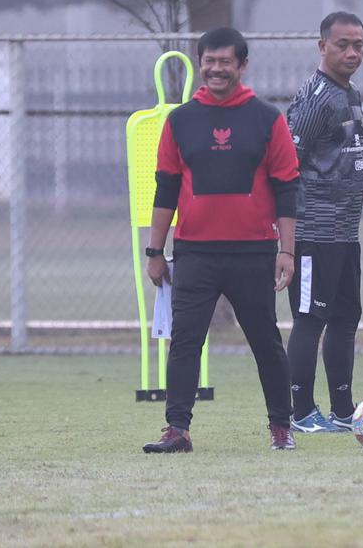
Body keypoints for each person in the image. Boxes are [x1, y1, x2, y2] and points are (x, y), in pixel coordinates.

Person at [141, 27, 300, 453]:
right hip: (194, 252)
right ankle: (177, 430)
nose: (215, 69)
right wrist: (155, 252)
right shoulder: (180, 121)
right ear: (200, 63)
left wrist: (286, 250)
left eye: (224, 62)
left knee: (265, 341)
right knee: (185, 341)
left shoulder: (267, 119)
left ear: (242, 66)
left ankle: (281, 428)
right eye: (208, 61)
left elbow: (287, 188)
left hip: (253, 252)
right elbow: (165, 189)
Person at [284, 11, 363, 434]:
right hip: (313, 233)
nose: (351, 52)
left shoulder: (348, 92)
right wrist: (286, 230)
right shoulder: (317, 97)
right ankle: (299, 414)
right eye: (342, 45)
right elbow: (284, 164)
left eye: (358, 45)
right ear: (322, 46)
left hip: (345, 234)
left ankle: (343, 411)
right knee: (310, 319)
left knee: (345, 319)